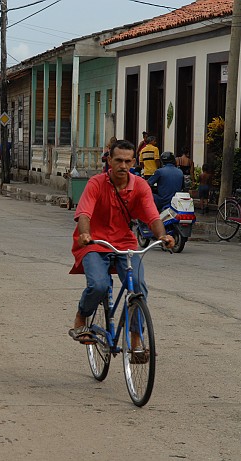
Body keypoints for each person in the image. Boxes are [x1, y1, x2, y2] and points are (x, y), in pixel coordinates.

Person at [68, 139, 174, 347]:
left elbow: (153, 217)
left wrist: (162, 235)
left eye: (127, 161)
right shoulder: (96, 183)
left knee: (138, 288)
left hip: (125, 244)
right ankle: (82, 316)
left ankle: (136, 340)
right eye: (118, 160)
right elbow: (84, 213)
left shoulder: (140, 186)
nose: (123, 166)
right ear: (109, 160)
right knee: (98, 285)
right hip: (94, 242)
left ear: (134, 162)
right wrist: (85, 235)